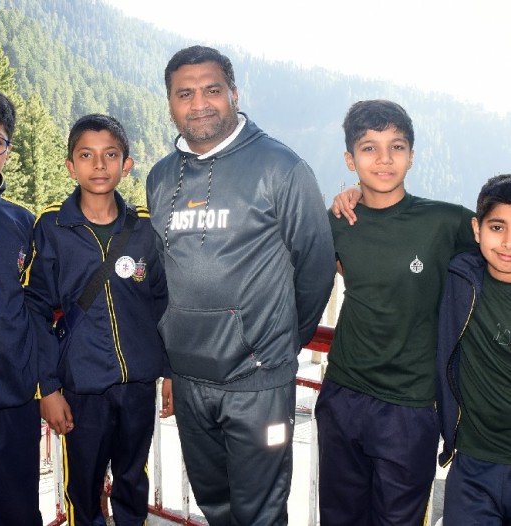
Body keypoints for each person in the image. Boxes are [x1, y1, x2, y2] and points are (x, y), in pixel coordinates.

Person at [146, 45, 336, 526]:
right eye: (184, 94)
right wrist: (171, 362)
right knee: (215, 503)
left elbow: (315, 268)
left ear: (234, 93)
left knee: (260, 510)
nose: (199, 104)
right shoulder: (161, 176)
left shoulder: (281, 167)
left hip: (257, 382)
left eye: (212, 90)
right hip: (190, 378)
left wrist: (274, 347)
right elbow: (165, 274)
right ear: (170, 103)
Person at [316, 99, 477, 526]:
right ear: (350, 160)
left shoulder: (445, 221)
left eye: (397, 146)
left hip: (411, 405)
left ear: (412, 155)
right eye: (369, 148)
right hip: (342, 393)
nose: (384, 159)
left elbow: (500, 238)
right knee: (338, 517)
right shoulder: (338, 220)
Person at [25, 114, 172, 525]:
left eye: (110, 155)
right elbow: (35, 308)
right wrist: (48, 388)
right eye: (86, 155)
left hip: (138, 383)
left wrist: (169, 370)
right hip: (81, 386)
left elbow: (163, 301)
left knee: (132, 479)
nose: (99, 165)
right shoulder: (53, 225)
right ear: (71, 166)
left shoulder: (144, 228)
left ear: (127, 165)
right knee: (84, 487)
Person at [437, 174, 511, 525]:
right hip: (473, 467)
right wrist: (359, 197)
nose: (508, 242)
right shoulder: (459, 277)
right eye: (497, 227)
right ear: (476, 229)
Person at [0, 88, 42, 525]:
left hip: (13, 403)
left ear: (7, 150)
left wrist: (44, 387)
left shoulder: (23, 223)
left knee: (19, 515)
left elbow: (38, 310)